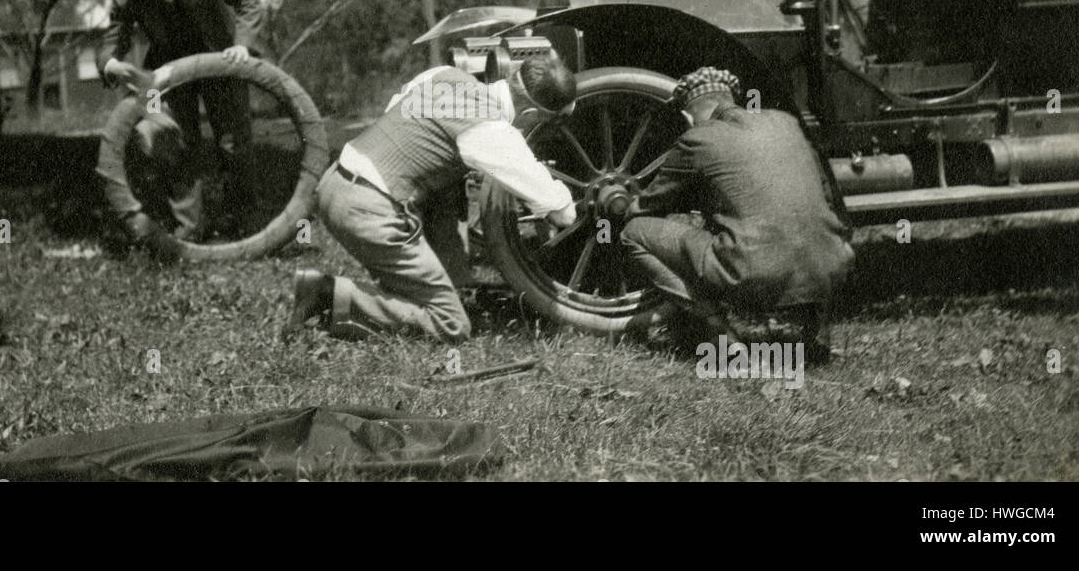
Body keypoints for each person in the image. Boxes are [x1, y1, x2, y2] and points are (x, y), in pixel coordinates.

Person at [289, 54, 579, 342]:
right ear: (530, 115)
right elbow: (562, 213)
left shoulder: (443, 74)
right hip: (368, 208)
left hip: (335, 181)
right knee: (451, 324)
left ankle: (444, 287)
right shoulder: (491, 129)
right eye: (548, 121)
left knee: (448, 187)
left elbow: (396, 110)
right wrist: (572, 197)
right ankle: (324, 296)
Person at [619, 67, 854, 360]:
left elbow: (647, 205)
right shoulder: (788, 122)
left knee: (634, 233)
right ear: (731, 99)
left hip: (753, 273)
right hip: (832, 265)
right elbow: (828, 197)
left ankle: (721, 337)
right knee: (802, 225)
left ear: (688, 117)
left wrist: (623, 206)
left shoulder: (697, 138)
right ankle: (814, 334)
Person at [98, 0, 267, 241]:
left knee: (233, 145)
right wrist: (110, 65)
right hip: (169, 74)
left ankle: (245, 226)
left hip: (221, 60)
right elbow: (111, 40)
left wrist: (242, 43)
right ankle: (189, 232)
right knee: (173, 144)